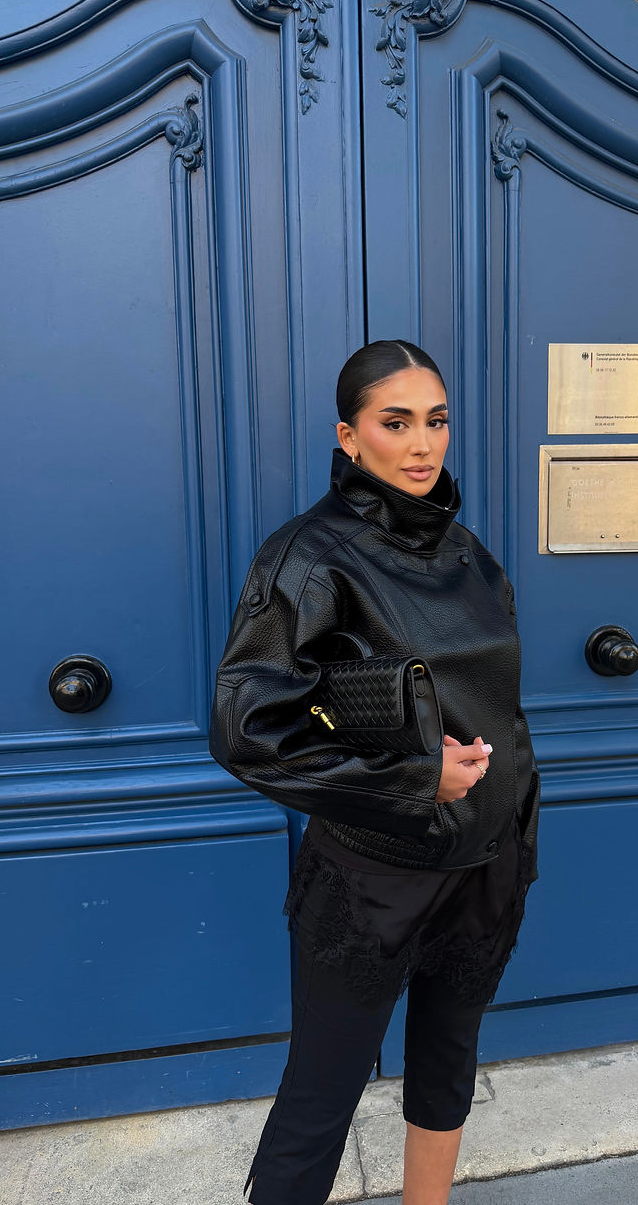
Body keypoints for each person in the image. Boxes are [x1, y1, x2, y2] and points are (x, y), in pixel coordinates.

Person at [209, 339, 541, 1205]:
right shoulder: (308, 557)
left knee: (448, 1064)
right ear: (349, 437)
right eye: (396, 423)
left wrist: (516, 826)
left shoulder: (471, 554)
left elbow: (497, 707)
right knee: (322, 1092)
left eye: (436, 420)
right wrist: (414, 781)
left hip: (484, 863)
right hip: (372, 875)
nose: (423, 444)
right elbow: (247, 730)